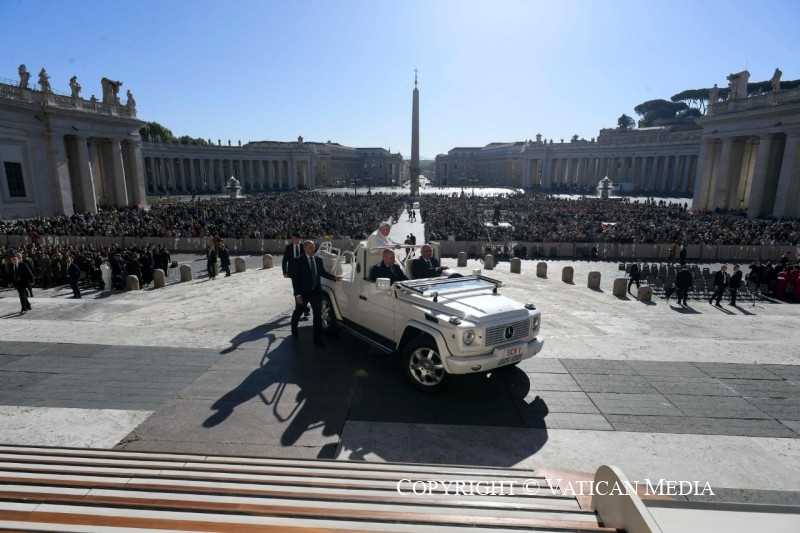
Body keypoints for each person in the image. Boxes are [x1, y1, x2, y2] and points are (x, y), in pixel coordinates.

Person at [290, 240, 342, 346]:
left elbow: (322, 272)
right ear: (304, 249)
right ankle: (294, 328)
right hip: (303, 293)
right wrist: (297, 295)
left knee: (318, 316)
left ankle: (317, 339)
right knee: (298, 312)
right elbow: (295, 280)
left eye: (313, 247)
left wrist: (334, 277)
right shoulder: (298, 261)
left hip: (316, 292)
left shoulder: (318, 259)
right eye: (310, 248)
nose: (313, 249)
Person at [283, 232, 310, 319]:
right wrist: (284, 271)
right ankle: (299, 308)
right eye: (292, 238)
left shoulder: (304, 247)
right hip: (293, 272)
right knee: (297, 290)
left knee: (304, 290)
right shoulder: (289, 247)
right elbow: (284, 260)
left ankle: (305, 309)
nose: (292, 240)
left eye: (294, 238)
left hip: (304, 272)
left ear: (298, 239)